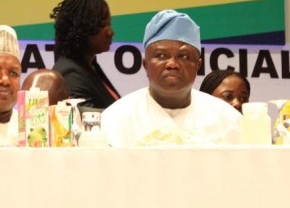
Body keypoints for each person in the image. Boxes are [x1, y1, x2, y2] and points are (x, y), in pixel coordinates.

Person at [101, 10, 242, 147]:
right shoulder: (116, 119)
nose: (172, 64)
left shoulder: (228, 120)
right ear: (146, 65)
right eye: (161, 56)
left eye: (184, 56)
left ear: (198, 65)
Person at [50, 0, 120, 109]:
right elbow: (85, 120)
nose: (110, 32)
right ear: (81, 30)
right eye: (102, 26)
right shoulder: (70, 75)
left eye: (109, 24)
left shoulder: (89, 66)